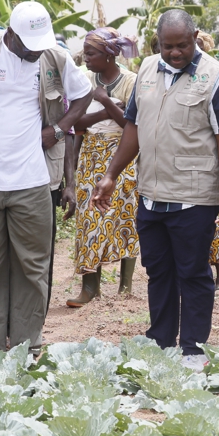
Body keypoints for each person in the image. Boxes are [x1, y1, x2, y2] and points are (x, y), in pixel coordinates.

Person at [91, 9, 219, 372]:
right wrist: (112, 174)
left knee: (192, 272)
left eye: (182, 45)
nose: (175, 53)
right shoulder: (146, 69)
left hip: (193, 195)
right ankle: (160, 340)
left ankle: (193, 347)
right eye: (167, 46)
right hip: (151, 192)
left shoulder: (215, 78)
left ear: (195, 39)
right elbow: (133, 125)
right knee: (158, 270)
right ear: (157, 43)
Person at [0, 1, 92, 354]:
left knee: (32, 267)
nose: (36, 52)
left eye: (40, 44)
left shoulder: (55, 57)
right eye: (28, 45)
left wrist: (60, 128)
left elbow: (84, 95)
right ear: (10, 34)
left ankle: (27, 345)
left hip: (34, 182)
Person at [67, 28, 140, 306]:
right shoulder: (85, 80)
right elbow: (76, 123)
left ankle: (125, 286)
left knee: (124, 216)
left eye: (91, 53)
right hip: (91, 153)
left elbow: (129, 125)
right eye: (85, 52)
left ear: (109, 55)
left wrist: (105, 100)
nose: (85, 57)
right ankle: (90, 287)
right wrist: (107, 107)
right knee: (89, 219)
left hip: (123, 154)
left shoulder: (131, 81)